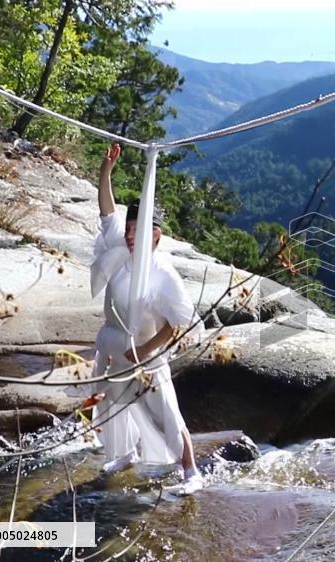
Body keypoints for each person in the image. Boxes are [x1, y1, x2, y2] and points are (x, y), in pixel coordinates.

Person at [87, 143, 204, 495]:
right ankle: (124, 455)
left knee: (166, 410)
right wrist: (106, 170)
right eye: (128, 227)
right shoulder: (120, 251)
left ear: (156, 234)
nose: (128, 233)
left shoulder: (163, 273)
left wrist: (146, 351)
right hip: (111, 344)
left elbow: (178, 322)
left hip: (145, 353)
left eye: (137, 228)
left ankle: (191, 471)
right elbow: (107, 212)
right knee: (114, 402)